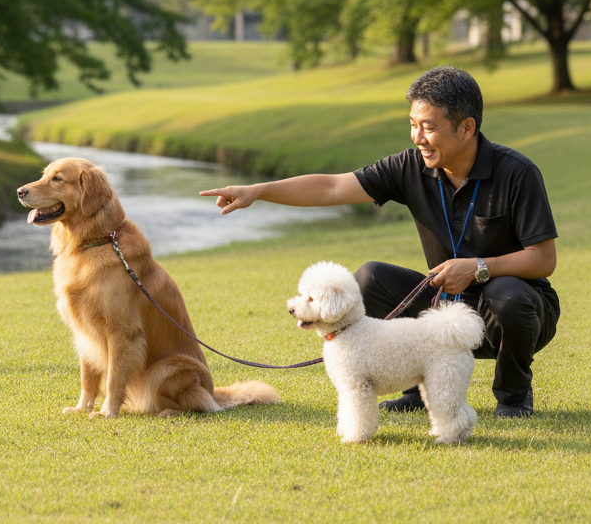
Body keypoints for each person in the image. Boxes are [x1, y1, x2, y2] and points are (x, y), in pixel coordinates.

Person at [201, 66, 558, 418]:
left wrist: (479, 268)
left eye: (429, 127)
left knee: (506, 294)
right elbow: (332, 187)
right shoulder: (409, 166)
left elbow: (543, 259)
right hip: (439, 307)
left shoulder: (517, 173)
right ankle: (415, 389)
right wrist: (259, 191)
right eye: (413, 125)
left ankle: (513, 396)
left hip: (510, 315)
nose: (417, 137)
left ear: (467, 128)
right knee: (370, 276)